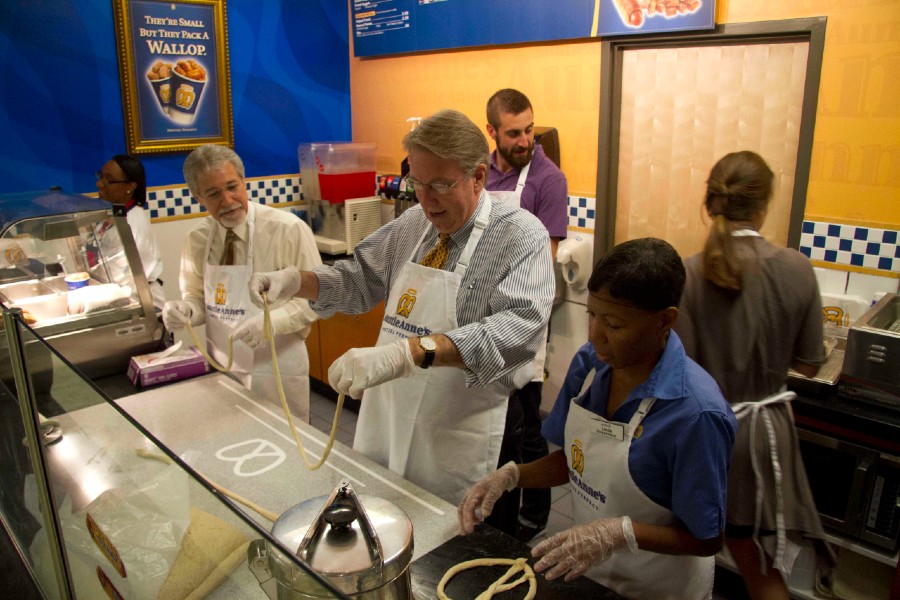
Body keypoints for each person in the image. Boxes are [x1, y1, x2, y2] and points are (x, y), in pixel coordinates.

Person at [249, 109, 555, 513]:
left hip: (463, 430)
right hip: (391, 418)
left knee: (458, 548)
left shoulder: (520, 234)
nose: (426, 199)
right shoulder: (413, 224)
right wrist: (296, 281)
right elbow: (359, 279)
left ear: (478, 177)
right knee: (386, 519)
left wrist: (407, 353)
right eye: (417, 182)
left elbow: (516, 332)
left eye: (441, 184)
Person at [459, 238, 738, 600]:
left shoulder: (695, 414)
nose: (595, 336)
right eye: (591, 315)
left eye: (615, 325)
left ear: (665, 320)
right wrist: (512, 475)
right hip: (590, 574)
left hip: (657, 588)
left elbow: (706, 537)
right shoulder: (591, 366)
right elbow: (579, 459)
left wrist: (616, 533)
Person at [675, 151, 836, 599]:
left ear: (710, 202)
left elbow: (683, 368)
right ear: (765, 205)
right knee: (758, 567)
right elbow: (808, 363)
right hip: (765, 440)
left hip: (709, 434)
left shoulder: (689, 273)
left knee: (688, 548)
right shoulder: (797, 269)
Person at [161, 144, 321, 421]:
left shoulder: (287, 230)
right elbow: (198, 298)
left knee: (284, 447)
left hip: (277, 364)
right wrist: (185, 311)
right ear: (199, 197)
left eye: (232, 187)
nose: (227, 200)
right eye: (213, 194)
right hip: (223, 362)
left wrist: (271, 323)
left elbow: (316, 300)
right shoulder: (197, 239)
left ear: (244, 181)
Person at [485, 88, 569, 541]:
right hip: (482, 310)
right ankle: (495, 497)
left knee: (527, 418)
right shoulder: (481, 174)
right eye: (514, 133)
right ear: (492, 132)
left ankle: (534, 513)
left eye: (530, 130)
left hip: (524, 312)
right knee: (494, 413)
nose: (525, 141)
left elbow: (545, 261)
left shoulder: (547, 181)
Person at [95, 154, 165, 313]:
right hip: (120, 296)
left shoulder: (134, 225)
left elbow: (131, 277)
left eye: (109, 180)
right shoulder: (113, 214)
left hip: (143, 304)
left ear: (131, 186)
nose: (99, 184)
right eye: (100, 176)